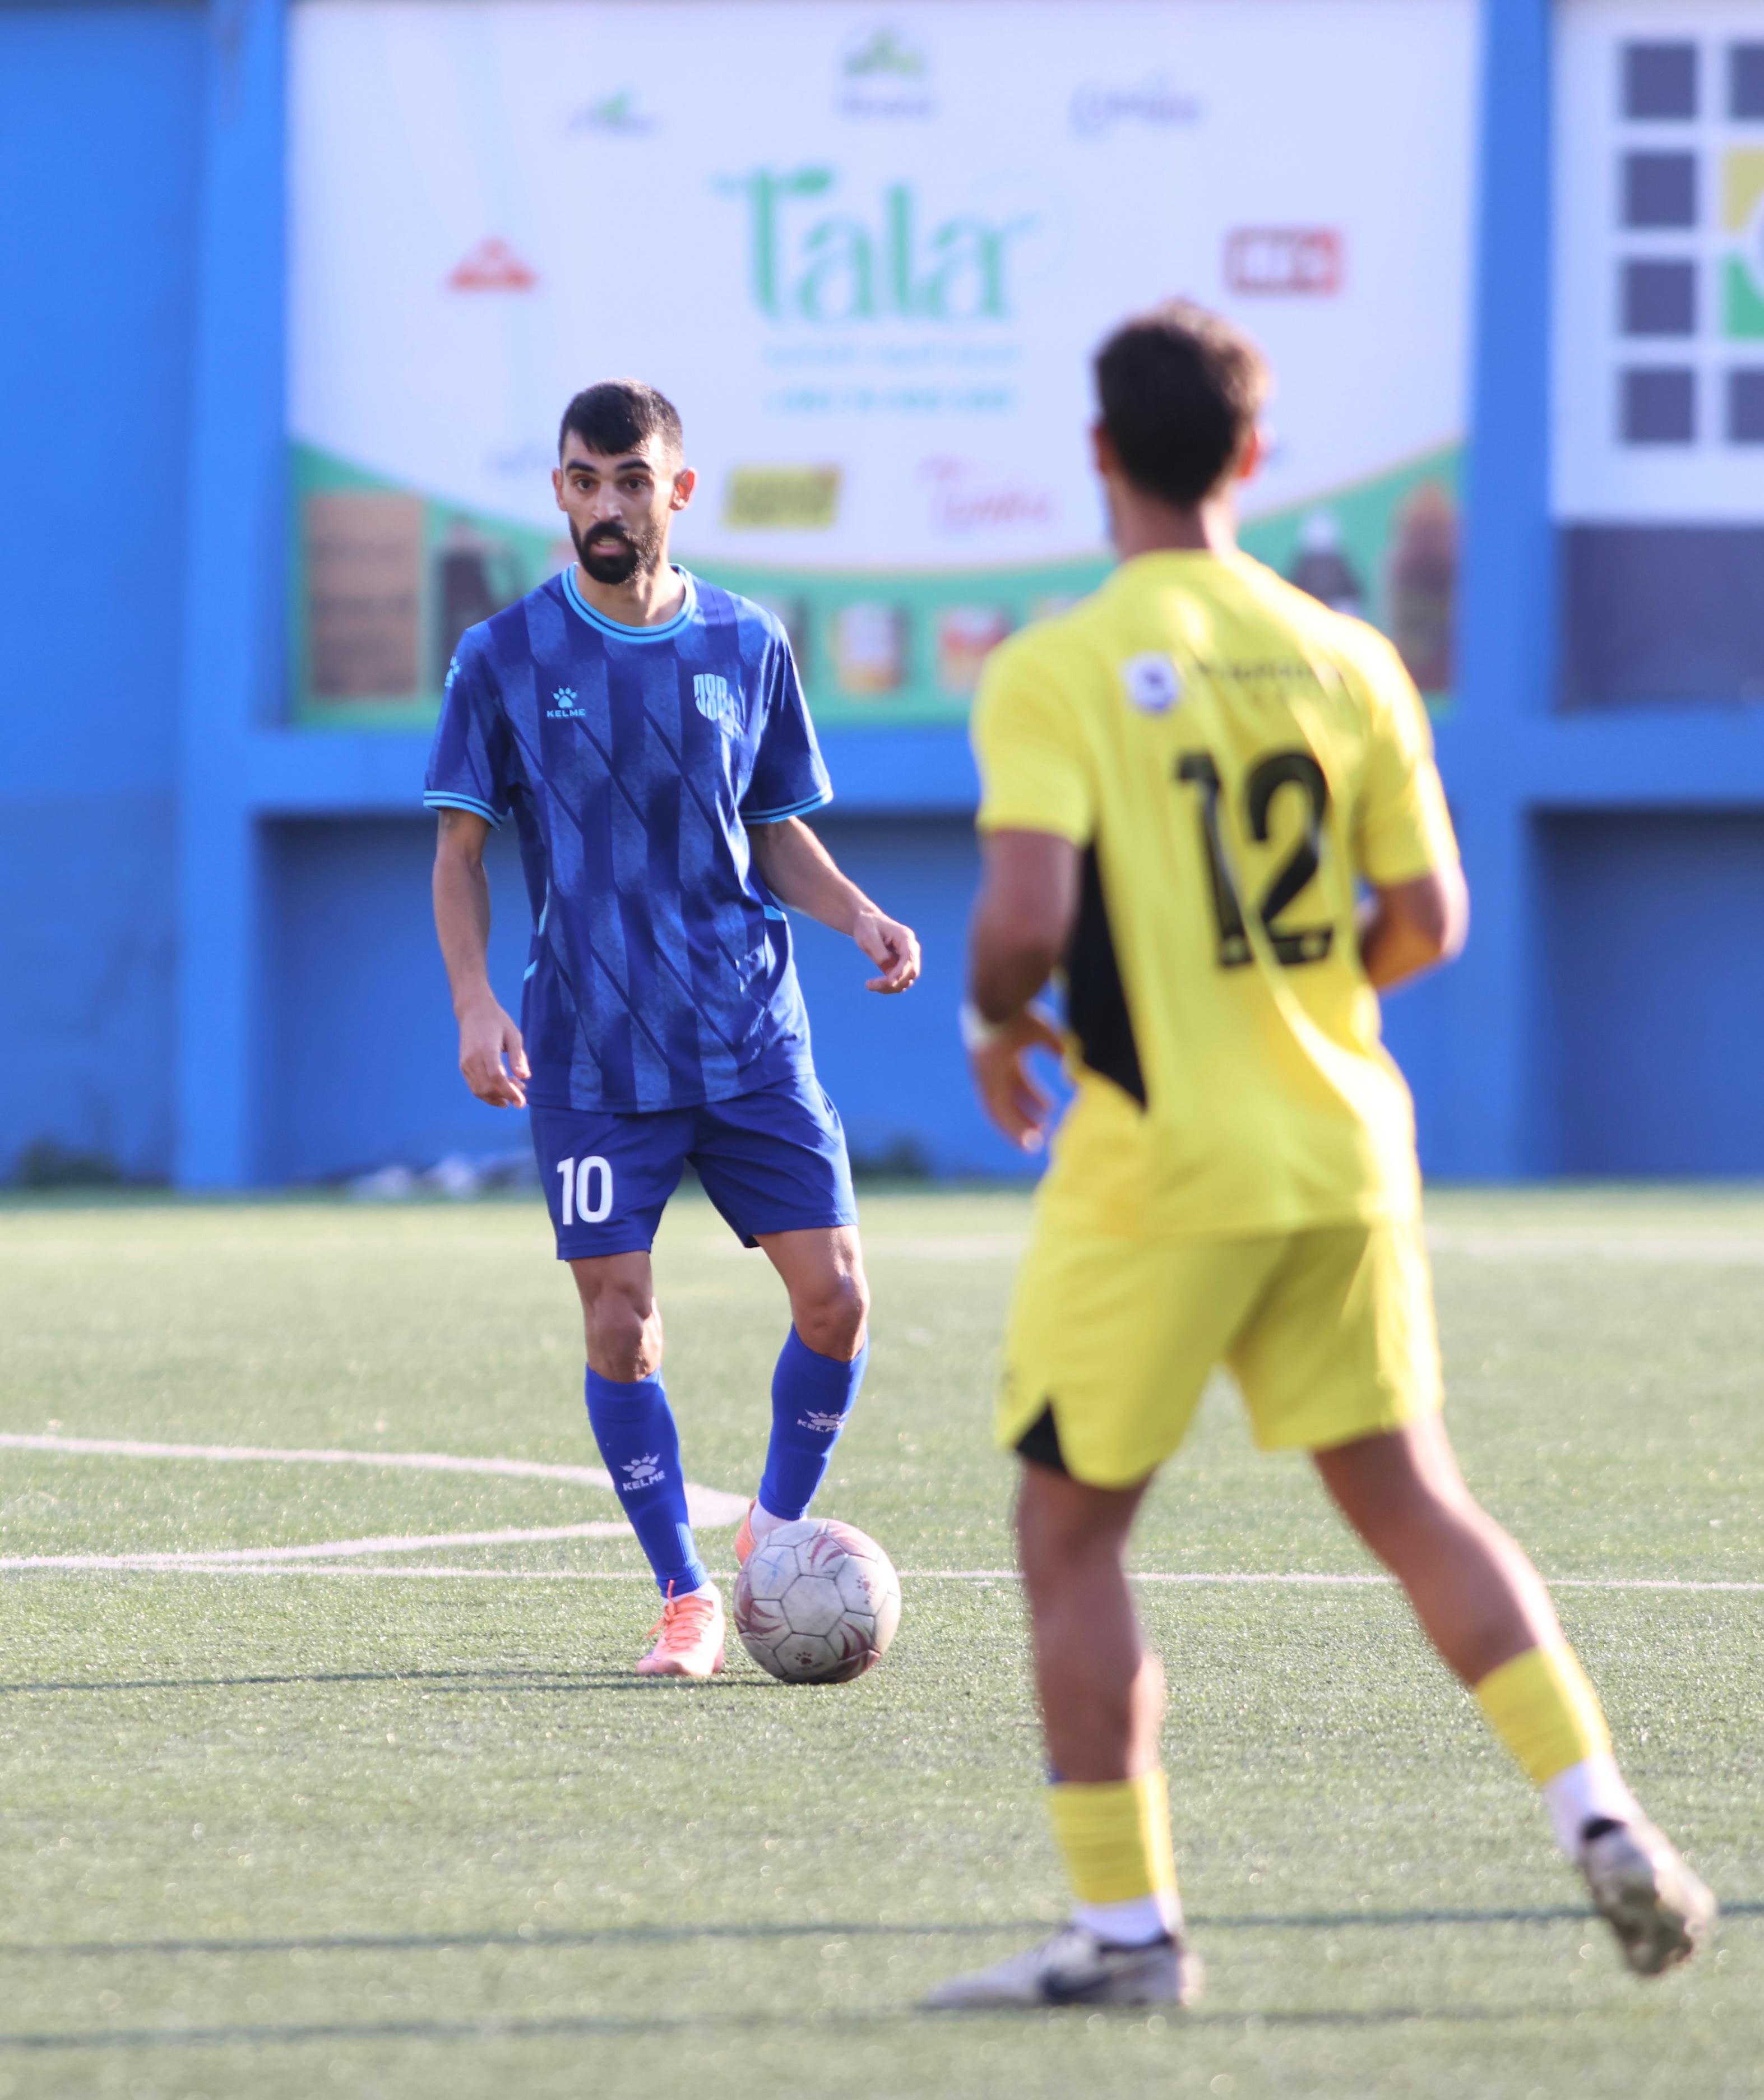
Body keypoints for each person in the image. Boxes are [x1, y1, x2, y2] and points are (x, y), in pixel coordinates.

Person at [929, 302, 1714, 2008]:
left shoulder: (1058, 664)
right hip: (1343, 1149)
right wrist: (1283, 1004)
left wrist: (996, 1023)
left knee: (1068, 1537)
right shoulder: (1345, 655)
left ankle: (1125, 1933)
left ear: (1095, 452)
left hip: (1163, 1171)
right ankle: (1600, 1817)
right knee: (1412, 1497)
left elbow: (1020, 921)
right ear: (1254, 456)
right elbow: (1426, 915)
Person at [425, 380, 920, 1678]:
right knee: (619, 1324)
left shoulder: (747, 643)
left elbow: (769, 827)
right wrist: (476, 999)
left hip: (750, 1036)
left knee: (838, 1300)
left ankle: (769, 1530)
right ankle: (686, 1594)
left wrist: (859, 915)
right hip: (589, 1052)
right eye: (583, 480)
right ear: (558, 492)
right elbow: (459, 852)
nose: (605, 504)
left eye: (630, 480)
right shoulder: (502, 658)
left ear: (676, 492)